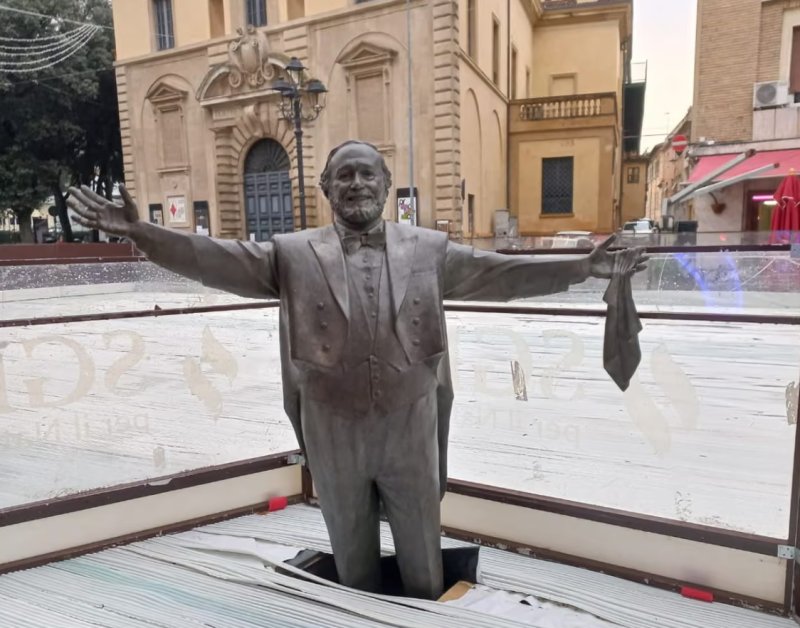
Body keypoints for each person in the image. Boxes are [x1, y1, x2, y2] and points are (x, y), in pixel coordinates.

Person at [67, 140, 646, 600]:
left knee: (423, 559)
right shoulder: (292, 254)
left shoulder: (429, 248)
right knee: (353, 563)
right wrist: (144, 233)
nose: (357, 184)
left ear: (388, 187)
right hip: (332, 427)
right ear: (324, 189)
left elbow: (502, 274)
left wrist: (582, 266)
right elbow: (216, 260)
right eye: (344, 175)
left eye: (368, 174)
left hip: (409, 424)